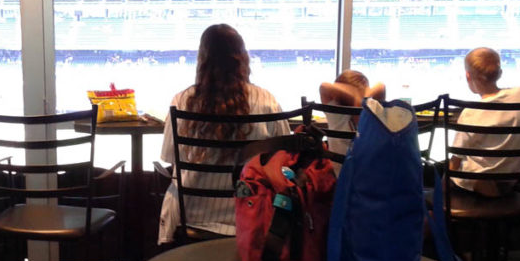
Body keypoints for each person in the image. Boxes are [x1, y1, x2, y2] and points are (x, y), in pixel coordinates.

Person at [158, 24, 289, 245]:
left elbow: (169, 156)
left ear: (202, 59)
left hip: (191, 213)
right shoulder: (267, 101)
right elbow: (284, 155)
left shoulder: (181, 101)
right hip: (251, 210)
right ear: (242, 58)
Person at [450, 47, 520, 196]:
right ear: (500, 73)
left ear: (468, 76)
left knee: (436, 170)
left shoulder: (470, 113)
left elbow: (455, 162)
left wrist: (442, 190)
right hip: (511, 182)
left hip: (472, 188)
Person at [317, 69, 386, 168]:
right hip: (373, 175)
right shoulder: (372, 111)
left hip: (342, 178)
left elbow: (324, 86)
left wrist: (356, 97)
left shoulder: (335, 114)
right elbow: (381, 86)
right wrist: (363, 97)